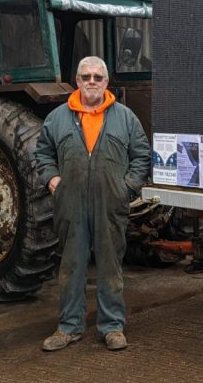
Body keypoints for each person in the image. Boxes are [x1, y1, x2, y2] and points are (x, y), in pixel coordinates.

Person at [35, 56, 150, 352]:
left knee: (110, 265)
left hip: (110, 203)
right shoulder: (57, 118)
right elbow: (43, 153)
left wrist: (127, 188)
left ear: (106, 82)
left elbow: (141, 156)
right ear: (77, 81)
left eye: (98, 77)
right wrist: (52, 179)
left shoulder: (125, 117)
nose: (92, 82)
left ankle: (112, 327)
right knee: (71, 266)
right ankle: (68, 327)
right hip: (70, 203)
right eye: (86, 77)